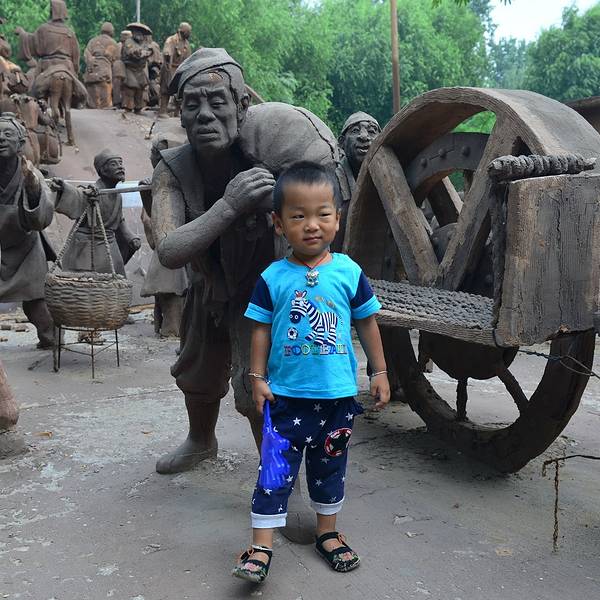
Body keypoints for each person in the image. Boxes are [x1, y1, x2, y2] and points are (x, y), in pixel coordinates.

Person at [232, 162, 390, 583]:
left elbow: (367, 322)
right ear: (279, 223)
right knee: (274, 471)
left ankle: (328, 533)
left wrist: (379, 370)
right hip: (286, 397)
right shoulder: (272, 278)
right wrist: (257, 377)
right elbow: (260, 330)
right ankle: (261, 545)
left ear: (338, 218)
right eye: (298, 216)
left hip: (337, 398)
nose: (312, 225)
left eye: (322, 214)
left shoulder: (349, 272)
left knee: (330, 468)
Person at [0, 114, 55, 348]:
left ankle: (51, 339)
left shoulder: (31, 173)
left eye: (8, 134)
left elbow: (43, 217)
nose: (1, 138)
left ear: (20, 143)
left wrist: (32, 189)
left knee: (37, 303)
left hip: (26, 247)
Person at [50, 149, 141, 275]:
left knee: (116, 279)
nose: (120, 167)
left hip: (110, 246)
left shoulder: (117, 196)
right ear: (103, 170)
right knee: (84, 281)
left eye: (121, 163)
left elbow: (120, 221)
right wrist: (63, 188)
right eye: (114, 164)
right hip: (88, 247)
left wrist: (131, 237)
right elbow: (78, 195)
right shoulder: (92, 192)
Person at [331, 111, 380, 252]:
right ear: (341, 142)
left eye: (372, 131)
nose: (364, 136)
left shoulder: (389, 181)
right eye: (355, 131)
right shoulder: (329, 182)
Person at [158, 23, 192, 118]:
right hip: (170, 67)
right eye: (188, 32)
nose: (190, 34)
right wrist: (167, 54)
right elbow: (167, 51)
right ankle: (163, 111)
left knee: (180, 90)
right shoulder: (171, 40)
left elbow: (189, 57)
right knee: (166, 90)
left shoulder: (186, 44)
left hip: (180, 69)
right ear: (182, 31)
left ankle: (177, 111)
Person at [83, 22, 118, 109]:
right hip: (105, 76)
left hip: (91, 75)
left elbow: (86, 55)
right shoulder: (113, 43)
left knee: (91, 103)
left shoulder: (92, 41)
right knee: (105, 104)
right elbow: (116, 61)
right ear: (111, 32)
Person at [121, 23, 152, 113]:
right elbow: (130, 51)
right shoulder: (129, 41)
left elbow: (149, 51)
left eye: (141, 32)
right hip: (130, 68)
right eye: (136, 32)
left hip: (140, 69)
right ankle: (128, 107)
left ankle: (138, 108)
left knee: (140, 88)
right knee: (130, 87)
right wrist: (139, 52)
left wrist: (147, 53)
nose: (139, 34)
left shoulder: (145, 43)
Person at [112, 30, 131, 108]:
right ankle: (121, 102)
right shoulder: (122, 45)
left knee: (119, 84)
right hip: (123, 68)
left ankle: (119, 102)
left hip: (121, 68)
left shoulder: (118, 45)